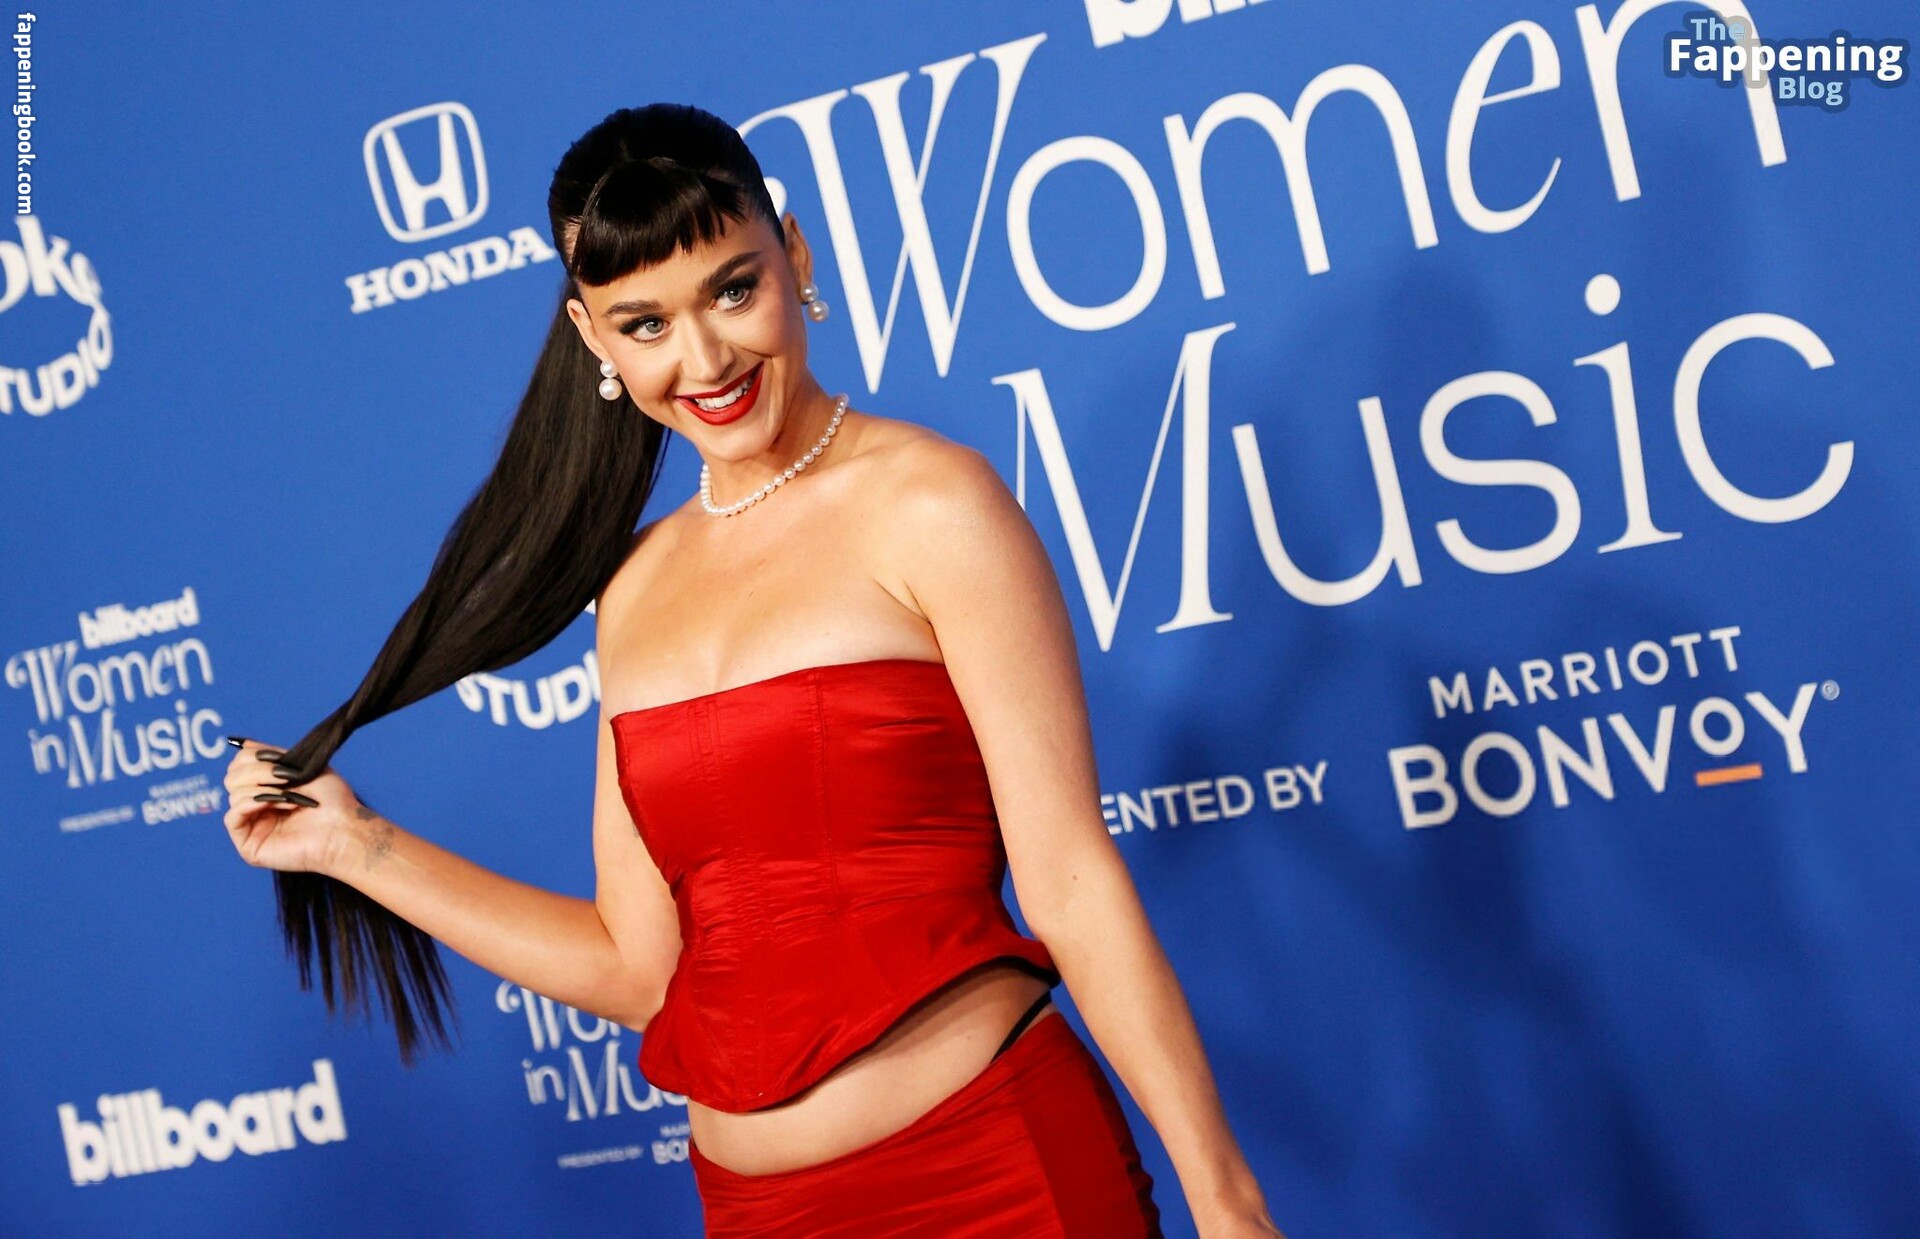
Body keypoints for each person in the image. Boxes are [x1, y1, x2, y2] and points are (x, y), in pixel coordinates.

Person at [219, 102, 1283, 1238]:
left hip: (997, 1170)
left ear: (796, 259)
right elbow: (640, 970)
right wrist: (357, 846)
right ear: (594, 340)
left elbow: (1067, 879)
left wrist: (1227, 1202)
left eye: (732, 290)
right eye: (645, 324)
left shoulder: (934, 505)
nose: (707, 360)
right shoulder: (632, 587)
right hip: (758, 1209)